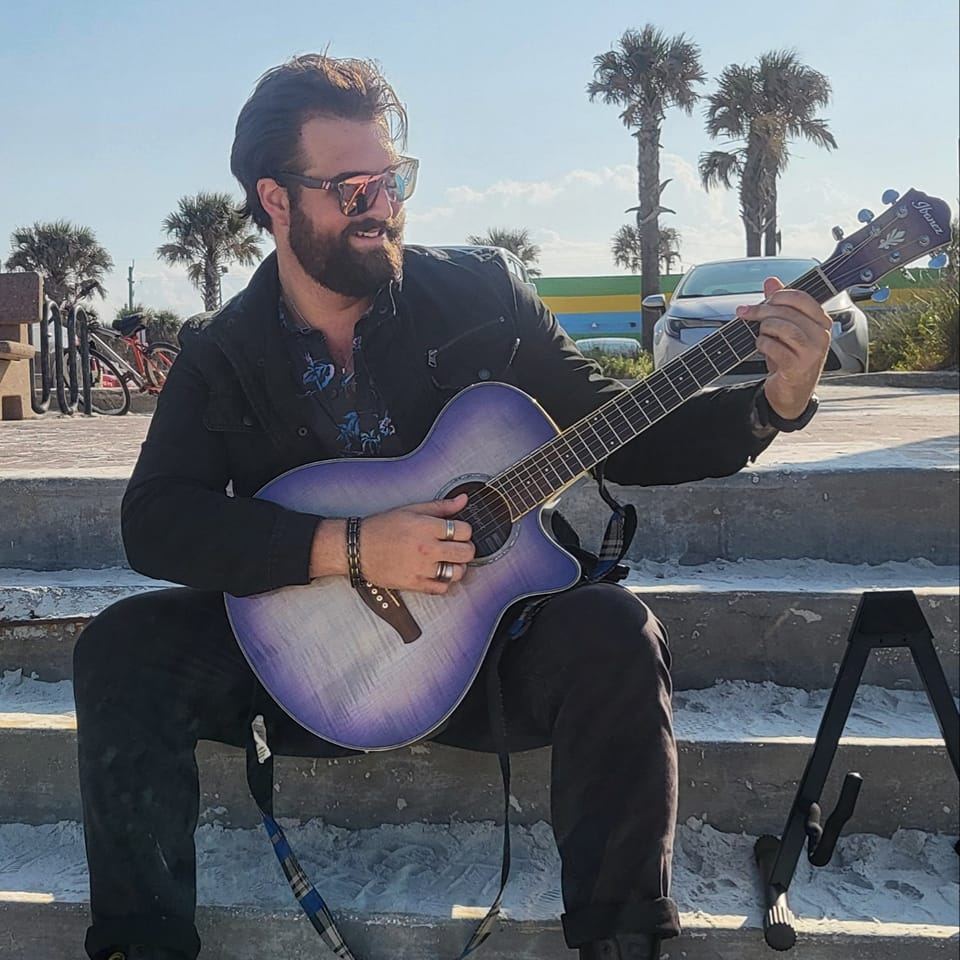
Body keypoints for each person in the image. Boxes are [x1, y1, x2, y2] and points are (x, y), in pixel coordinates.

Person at [73, 54, 833, 960]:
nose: (383, 205)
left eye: (392, 179)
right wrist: (349, 548)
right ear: (275, 201)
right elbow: (155, 521)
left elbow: (615, 426)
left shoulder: (482, 295)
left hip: (483, 663)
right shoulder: (221, 351)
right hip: (305, 671)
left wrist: (770, 405)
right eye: (352, 187)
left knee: (616, 634)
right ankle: (142, 947)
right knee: (122, 650)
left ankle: (623, 942)